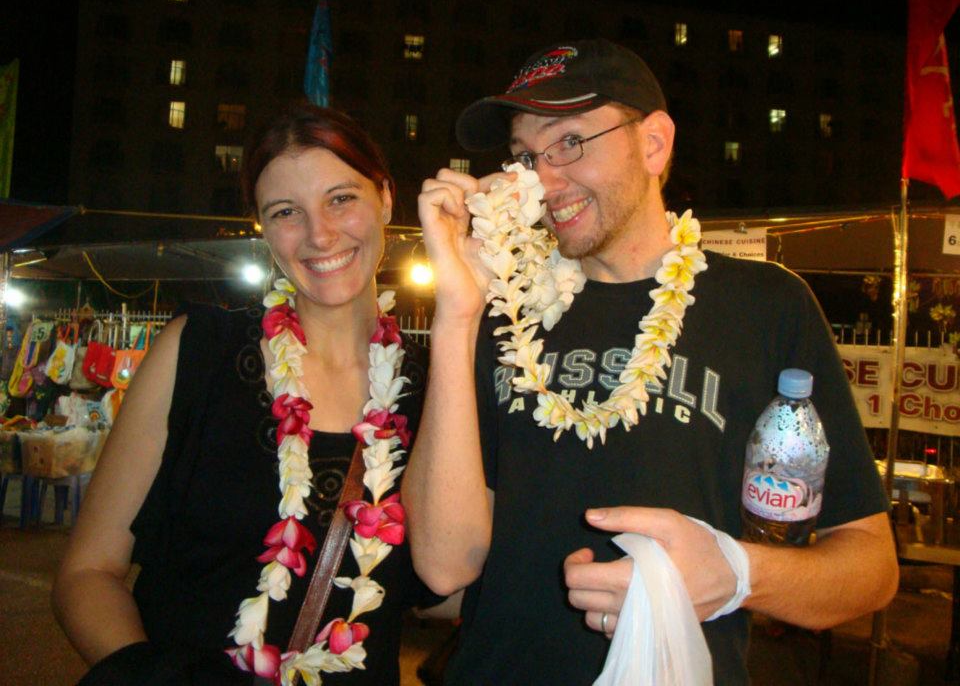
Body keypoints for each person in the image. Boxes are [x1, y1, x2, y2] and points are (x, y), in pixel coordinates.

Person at [403, 39, 899, 685]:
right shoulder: (501, 310)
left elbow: (869, 569)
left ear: (654, 144)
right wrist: (459, 311)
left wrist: (735, 574)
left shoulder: (765, 305)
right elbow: (445, 566)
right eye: (526, 157)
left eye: (571, 142)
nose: (544, 180)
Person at [54, 105, 440, 685]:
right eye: (287, 211)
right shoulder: (199, 352)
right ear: (261, 224)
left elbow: (449, 586)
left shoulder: (437, 385)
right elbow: (87, 573)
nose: (320, 234)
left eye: (341, 198)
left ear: (385, 198)